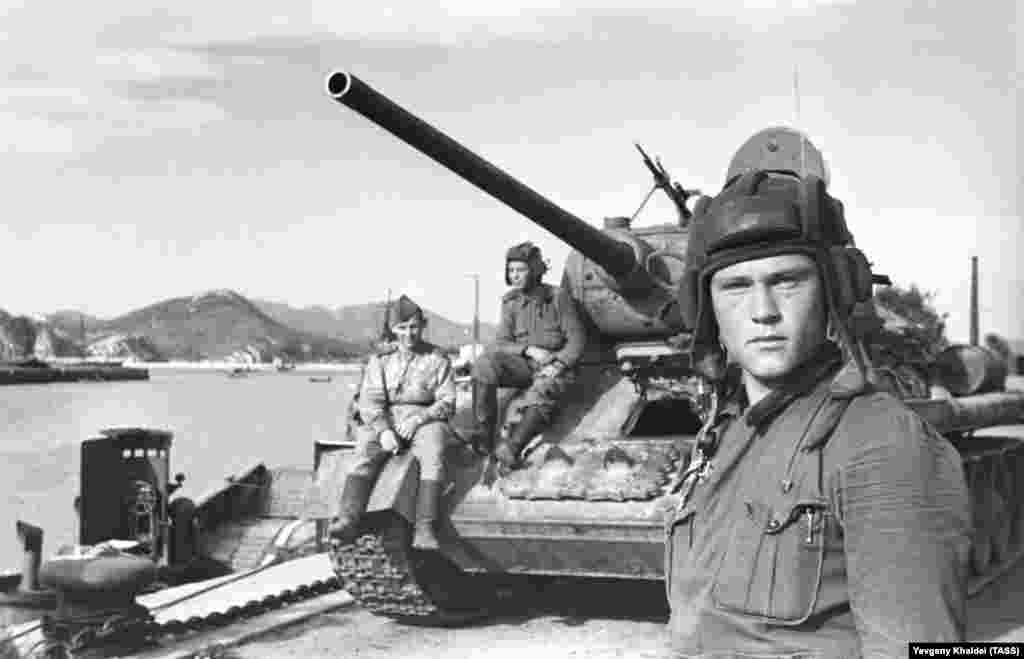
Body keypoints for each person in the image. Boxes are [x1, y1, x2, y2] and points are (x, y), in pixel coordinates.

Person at [666, 163, 971, 657]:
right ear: (706, 309)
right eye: (735, 286)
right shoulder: (727, 436)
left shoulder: (880, 445)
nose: (763, 310)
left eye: (787, 281)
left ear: (833, 292)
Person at [328, 295, 456, 551]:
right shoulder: (381, 360)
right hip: (386, 416)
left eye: (414, 327)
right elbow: (370, 401)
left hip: (425, 417)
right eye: (403, 328)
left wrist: (419, 419)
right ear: (394, 330)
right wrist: (384, 431)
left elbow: (447, 401)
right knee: (365, 449)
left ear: (423, 325)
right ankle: (348, 518)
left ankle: (425, 526)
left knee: (433, 451)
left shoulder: (438, 359)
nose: (409, 334)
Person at [469, 242, 587, 469]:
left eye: (520, 270)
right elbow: (501, 342)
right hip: (524, 365)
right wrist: (527, 350)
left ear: (535, 270)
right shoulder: (511, 302)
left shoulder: (557, 297)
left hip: (556, 366)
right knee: (483, 366)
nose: (515, 275)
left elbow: (577, 339)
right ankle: (483, 440)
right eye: (511, 270)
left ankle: (512, 448)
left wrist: (559, 364)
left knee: (543, 387)